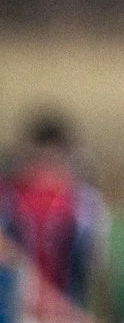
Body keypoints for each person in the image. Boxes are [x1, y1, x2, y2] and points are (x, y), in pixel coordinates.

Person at [0, 111, 99, 307]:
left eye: (50, 163)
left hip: (65, 307)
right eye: (39, 162)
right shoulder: (7, 197)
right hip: (22, 309)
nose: (43, 174)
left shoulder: (83, 202)